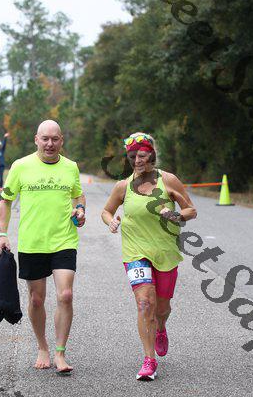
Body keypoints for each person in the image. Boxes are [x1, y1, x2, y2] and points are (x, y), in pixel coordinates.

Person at [101, 132, 197, 381]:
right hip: (135, 252)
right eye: (132, 156)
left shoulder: (169, 180)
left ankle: (161, 328)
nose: (137, 161)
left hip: (165, 252)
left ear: (151, 155)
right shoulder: (123, 186)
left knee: (161, 308)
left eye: (142, 155)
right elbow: (106, 211)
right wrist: (111, 222)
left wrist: (175, 216)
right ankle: (149, 359)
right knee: (145, 303)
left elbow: (191, 210)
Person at [0, 120, 86, 374]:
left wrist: (80, 209)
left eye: (55, 139)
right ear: (36, 139)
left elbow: (78, 195)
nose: (50, 144)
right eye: (45, 139)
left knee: (65, 295)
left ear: (61, 140)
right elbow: (6, 201)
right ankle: (42, 347)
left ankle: (60, 353)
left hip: (64, 240)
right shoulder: (20, 166)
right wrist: (2, 234)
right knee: (36, 299)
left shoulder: (71, 167)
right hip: (32, 242)